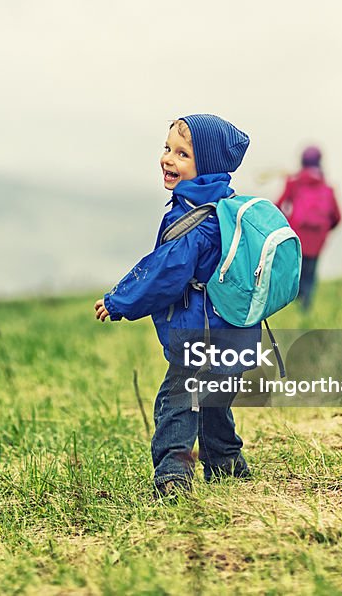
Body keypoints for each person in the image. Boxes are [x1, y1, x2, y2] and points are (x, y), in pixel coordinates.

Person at [94, 114, 260, 498]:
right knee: (215, 400)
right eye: (167, 149)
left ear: (207, 166)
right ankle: (227, 465)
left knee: (178, 402)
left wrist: (120, 302)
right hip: (234, 331)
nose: (168, 158)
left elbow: (165, 273)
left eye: (182, 154)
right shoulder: (227, 208)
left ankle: (173, 474)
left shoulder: (195, 220)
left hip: (199, 330)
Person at [275, 145, 341, 311]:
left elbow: (278, 207)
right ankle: (305, 309)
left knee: (294, 274)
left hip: (296, 237)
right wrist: (323, 230)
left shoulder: (294, 183)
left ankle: (290, 307)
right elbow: (337, 217)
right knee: (310, 275)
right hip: (317, 240)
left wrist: (287, 226)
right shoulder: (327, 188)